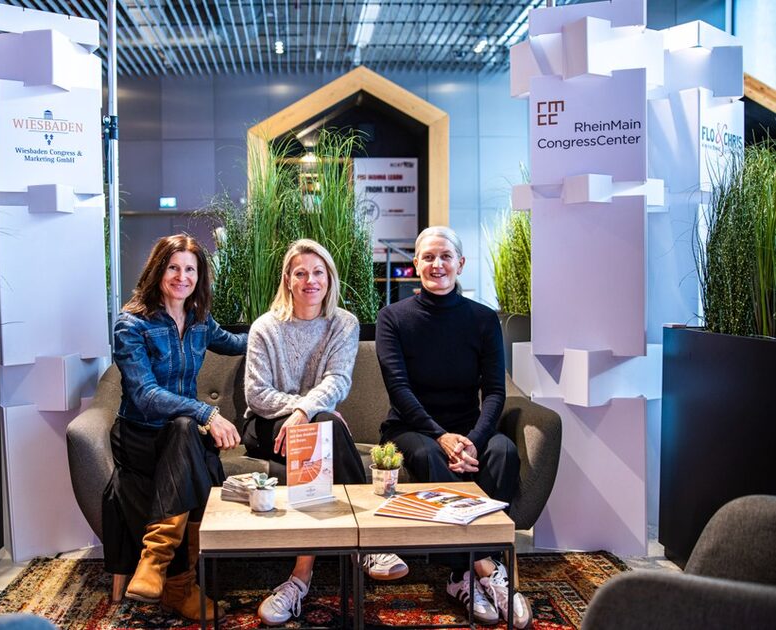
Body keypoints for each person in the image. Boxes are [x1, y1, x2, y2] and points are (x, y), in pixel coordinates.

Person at [242, 239, 409, 626]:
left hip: (311, 426)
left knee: (321, 430)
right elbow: (257, 394)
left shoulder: (343, 323)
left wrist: (306, 411)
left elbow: (338, 380)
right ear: (287, 279)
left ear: (329, 278)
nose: (310, 280)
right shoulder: (265, 327)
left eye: (318, 272)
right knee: (324, 426)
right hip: (267, 427)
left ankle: (300, 579)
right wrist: (304, 409)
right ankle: (370, 545)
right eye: (300, 272)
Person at [375, 226, 532, 629]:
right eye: (428, 257)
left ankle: (460, 575)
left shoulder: (482, 319)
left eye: (446, 256)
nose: (437, 264)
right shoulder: (392, 318)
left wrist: (474, 441)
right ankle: (482, 569)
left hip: (466, 429)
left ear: (460, 263)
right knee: (427, 454)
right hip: (412, 428)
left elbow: (495, 391)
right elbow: (399, 390)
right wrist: (442, 438)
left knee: (504, 451)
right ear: (416, 265)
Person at [102, 234, 246, 621]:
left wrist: (284, 326)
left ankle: (160, 566)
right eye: (173, 267)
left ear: (199, 277)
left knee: (185, 431)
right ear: (157, 270)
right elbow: (146, 394)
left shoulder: (200, 321)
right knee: (187, 428)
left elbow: (238, 342)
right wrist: (208, 414)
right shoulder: (131, 324)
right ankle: (178, 581)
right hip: (141, 437)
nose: (182, 277)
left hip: (179, 435)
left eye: (190, 270)